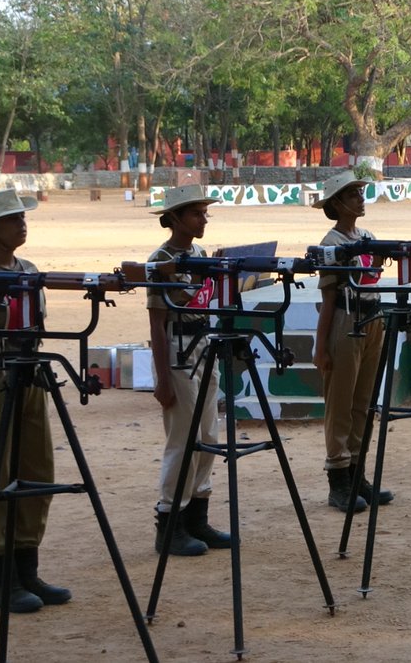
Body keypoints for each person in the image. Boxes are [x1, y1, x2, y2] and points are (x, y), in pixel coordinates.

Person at [0, 189, 70, 613]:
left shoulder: (29, 270)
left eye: (22, 217)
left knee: (37, 469)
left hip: (30, 372)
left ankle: (27, 567)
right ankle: (1, 576)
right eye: (12, 219)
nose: (22, 224)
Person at [146, 184, 231, 557]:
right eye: (196, 213)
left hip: (203, 344)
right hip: (178, 348)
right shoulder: (160, 261)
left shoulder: (199, 255)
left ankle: (198, 515)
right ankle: (170, 521)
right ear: (175, 218)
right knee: (184, 438)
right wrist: (162, 378)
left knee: (209, 434)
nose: (204, 219)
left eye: (204, 212)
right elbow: (157, 322)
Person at [311, 171, 394, 512]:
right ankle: (339, 478)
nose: (361, 199)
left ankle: (357, 472)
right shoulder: (330, 243)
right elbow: (329, 297)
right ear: (337, 203)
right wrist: (321, 346)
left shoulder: (367, 236)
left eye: (361, 193)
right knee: (340, 404)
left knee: (364, 402)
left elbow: (371, 277)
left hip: (372, 318)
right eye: (353, 195)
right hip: (346, 319)